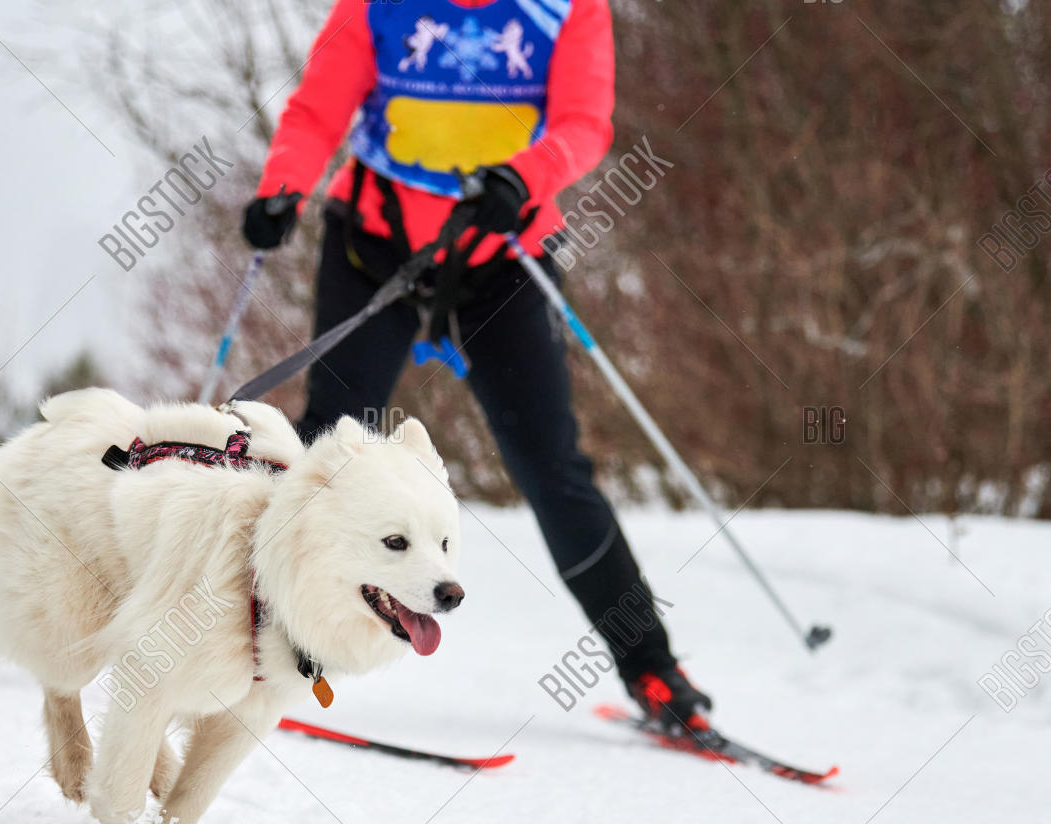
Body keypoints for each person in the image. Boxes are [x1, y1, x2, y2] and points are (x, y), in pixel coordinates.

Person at [240, 0, 711, 733]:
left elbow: (584, 125)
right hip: (375, 243)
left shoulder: (566, 8)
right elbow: (317, 109)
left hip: (502, 251)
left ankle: (652, 670)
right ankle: (264, 649)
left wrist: (523, 176)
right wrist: (284, 185)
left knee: (551, 466)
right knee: (328, 447)